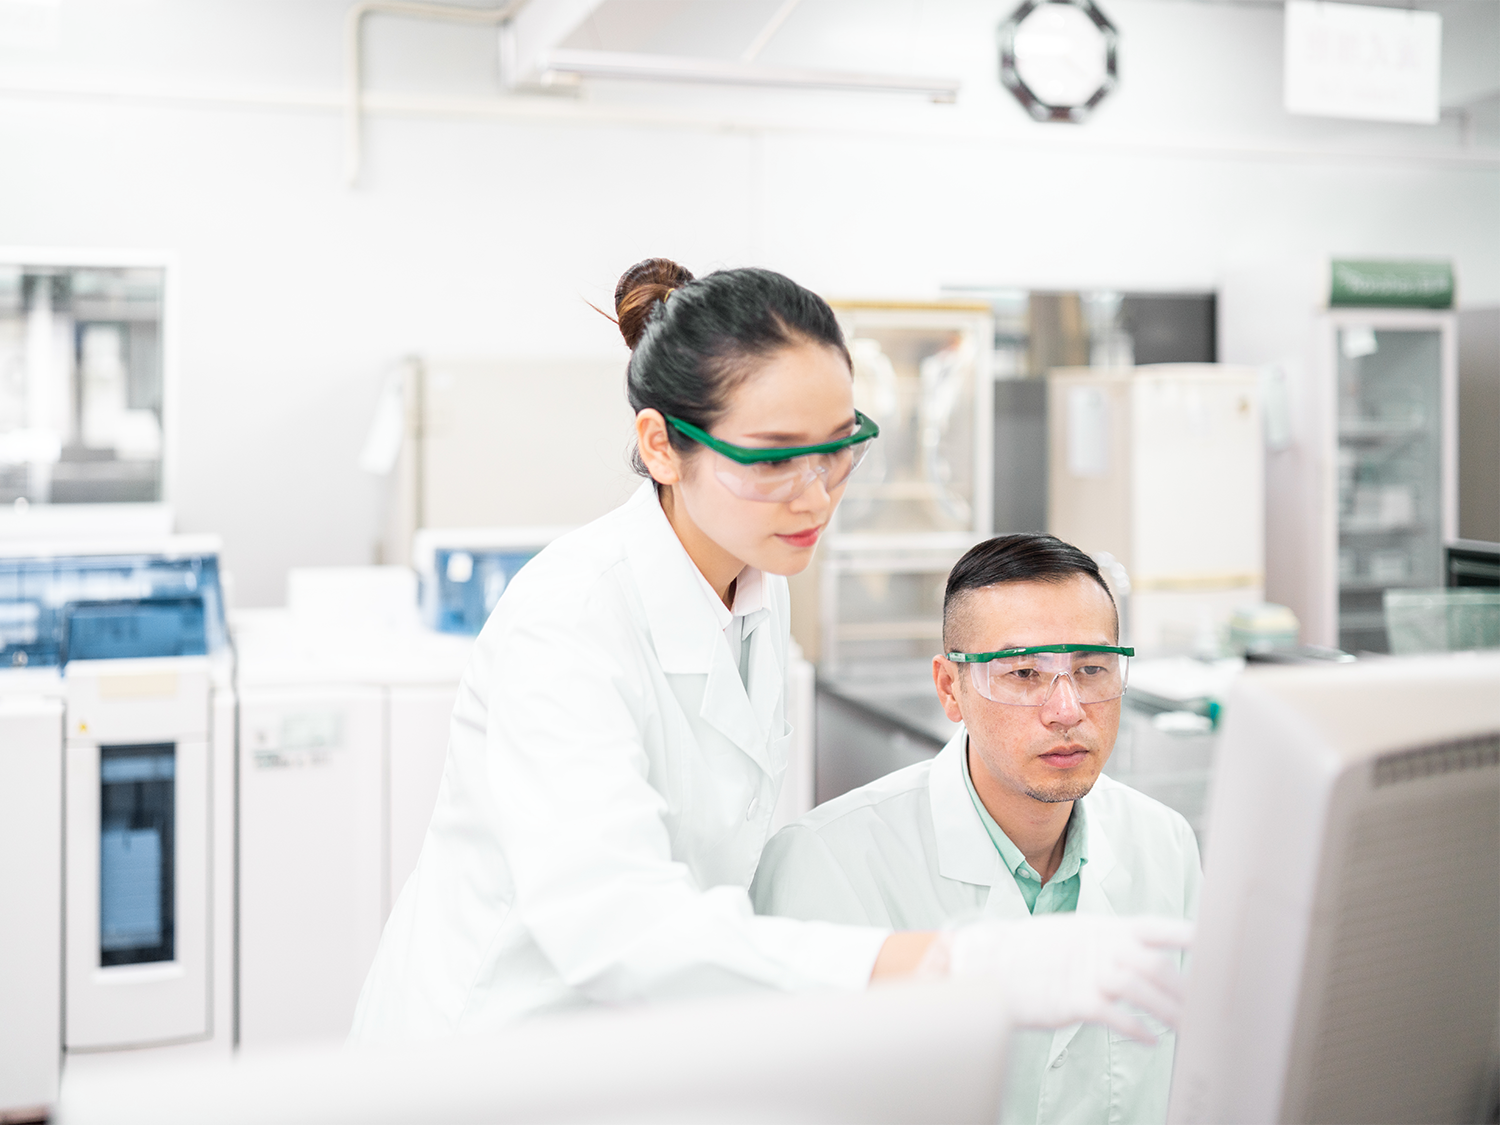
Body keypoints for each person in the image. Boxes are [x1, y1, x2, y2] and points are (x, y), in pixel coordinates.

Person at [351, 261, 1188, 1041]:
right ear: (660, 446)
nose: (816, 492)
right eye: (775, 457)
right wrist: (943, 961)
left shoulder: (758, 575)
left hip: (639, 1038)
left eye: (837, 448)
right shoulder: (570, 621)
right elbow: (613, 924)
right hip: (495, 1046)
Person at [751, 534, 1202, 1125]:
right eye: (1022, 673)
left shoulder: (1164, 845)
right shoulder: (825, 866)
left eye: (1092, 668)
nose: (1067, 709)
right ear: (950, 688)